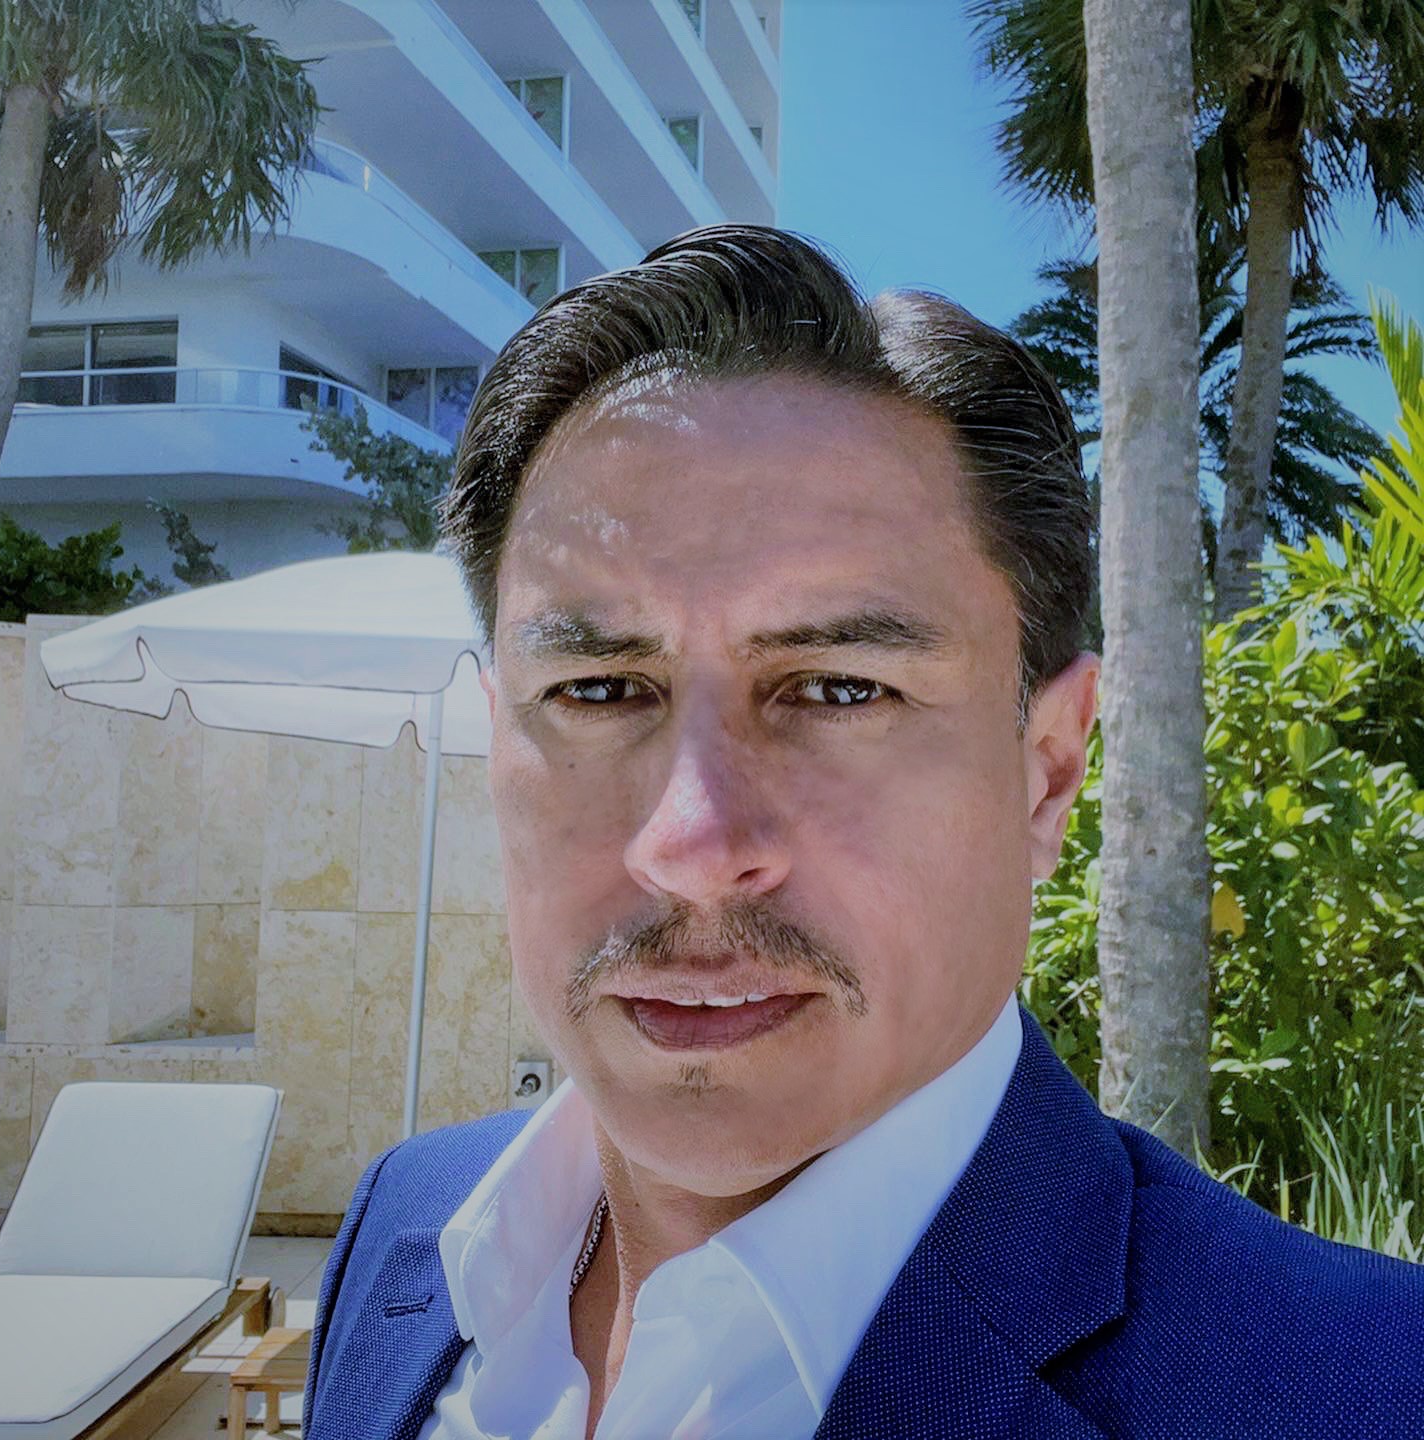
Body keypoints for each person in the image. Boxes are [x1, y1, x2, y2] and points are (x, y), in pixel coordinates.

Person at [302, 225, 1423, 1440]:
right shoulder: (407, 1226)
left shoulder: (1366, 1392)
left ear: (1048, 772)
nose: (691, 842)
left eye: (840, 689)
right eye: (600, 690)